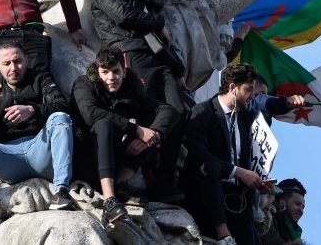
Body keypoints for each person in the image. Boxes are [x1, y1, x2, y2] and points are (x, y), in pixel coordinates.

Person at [91, 0, 188, 202]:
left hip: (158, 60)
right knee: (148, 113)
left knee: (177, 112)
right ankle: (123, 178)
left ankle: (163, 182)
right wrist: (157, 22)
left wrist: (178, 70)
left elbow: (159, 40)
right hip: (130, 54)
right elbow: (122, 15)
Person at [0, 42, 78, 245]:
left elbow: (63, 106)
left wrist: (32, 111)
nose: (13, 68)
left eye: (17, 61)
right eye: (7, 63)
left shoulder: (41, 78)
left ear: (26, 61)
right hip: (10, 158)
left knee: (60, 118)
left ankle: (61, 192)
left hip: (41, 150)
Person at [69, 46, 179, 225]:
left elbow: (168, 111)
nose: (111, 78)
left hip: (114, 162)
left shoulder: (131, 91)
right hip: (86, 160)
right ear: (97, 72)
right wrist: (136, 130)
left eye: (116, 71)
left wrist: (150, 136)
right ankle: (109, 200)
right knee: (103, 124)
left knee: (153, 122)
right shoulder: (84, 83)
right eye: (105, 72)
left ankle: (120, 184)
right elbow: (90, 114)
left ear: (124, 72)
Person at [181, 63, 272, 245]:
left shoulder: (245, 120)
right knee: (210, 166)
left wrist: (258, 181)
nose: (253, 96)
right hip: (205, 193)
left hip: (238, 200)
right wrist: (237, 171)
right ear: (233, 88)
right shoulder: (203, 111)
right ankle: (223, 235)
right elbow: (199, 155)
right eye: (249, 90)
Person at [260, 179, 306, 245]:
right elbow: (269, 238)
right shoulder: (266, 213)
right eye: (297, 204)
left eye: (303, 207)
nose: (301, 211)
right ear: (282, 203)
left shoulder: (294, 234)